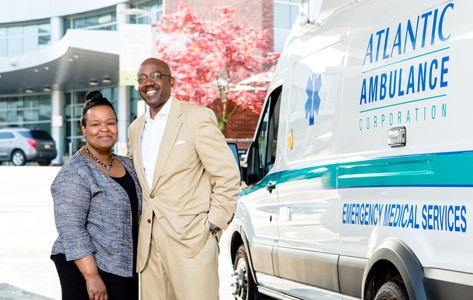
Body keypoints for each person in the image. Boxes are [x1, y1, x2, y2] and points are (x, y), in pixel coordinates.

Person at [128, 58, 240, 300]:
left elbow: (227, 175)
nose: (148, 82)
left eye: (156, 75)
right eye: (142, 78)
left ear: (171, 82)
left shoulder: (197, 118)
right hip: (149, 245)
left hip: (192, 240)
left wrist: (214, 224)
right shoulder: (135, 128)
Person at [50, 90, 142, 300]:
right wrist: (92, 277)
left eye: (110, 123)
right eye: (95, 124)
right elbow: (71, 229)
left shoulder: (127, 165)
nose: (104, 129)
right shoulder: (75, 172)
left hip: (124, 267)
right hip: (89, 271)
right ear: (83, 128)